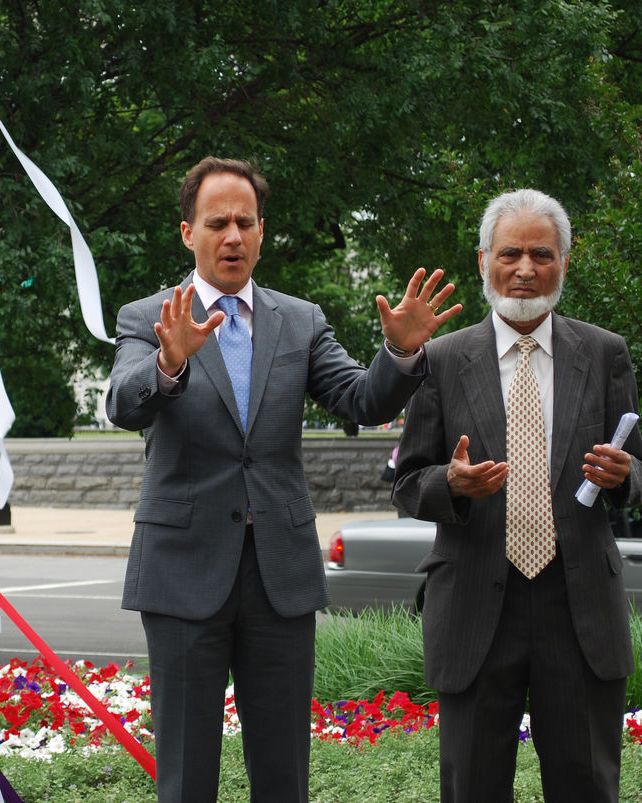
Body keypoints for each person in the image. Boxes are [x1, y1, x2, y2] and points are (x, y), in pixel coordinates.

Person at [105, 156, 461, 801]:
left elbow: (360, 400)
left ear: (262, 231)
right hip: (184, 570)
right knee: (185, 775)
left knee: (283, 772)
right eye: (217, 223)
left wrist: (402, 353)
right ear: (189, 233)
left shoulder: (299, 321)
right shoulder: (149, 316)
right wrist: (168, 360)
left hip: (280, 572)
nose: (233, 236)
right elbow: (124, 404)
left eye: (245, 222)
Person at [391, 188, 642, 802]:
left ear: (565, 260)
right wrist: (449, 485)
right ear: (484, 260)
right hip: (476, 609)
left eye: (543, 253)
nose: (526, 269)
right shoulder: (443, 360)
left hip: (579, 604)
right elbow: (406, 483)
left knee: (587, 785)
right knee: (473, 788)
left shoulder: (604, 353)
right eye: (511, 253)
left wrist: (622, 477)